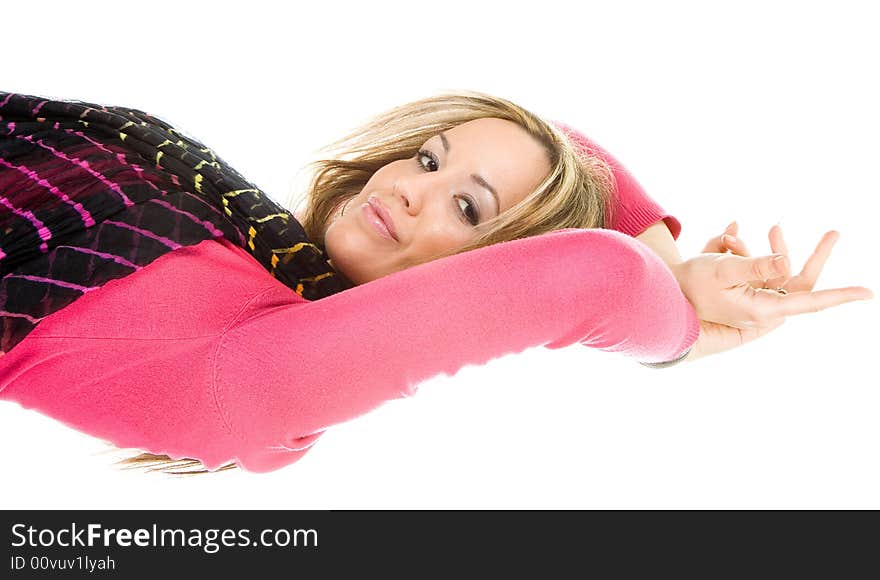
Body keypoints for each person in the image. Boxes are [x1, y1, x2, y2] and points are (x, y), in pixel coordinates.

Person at [0, 90, 871, 475]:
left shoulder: (250, 385)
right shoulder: (246, 239)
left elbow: (593, 277)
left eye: (467, 209)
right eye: (428, 158)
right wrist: (672, 256)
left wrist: (683, 326)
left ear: (486, 280)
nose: (406, 187)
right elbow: (568, 144)